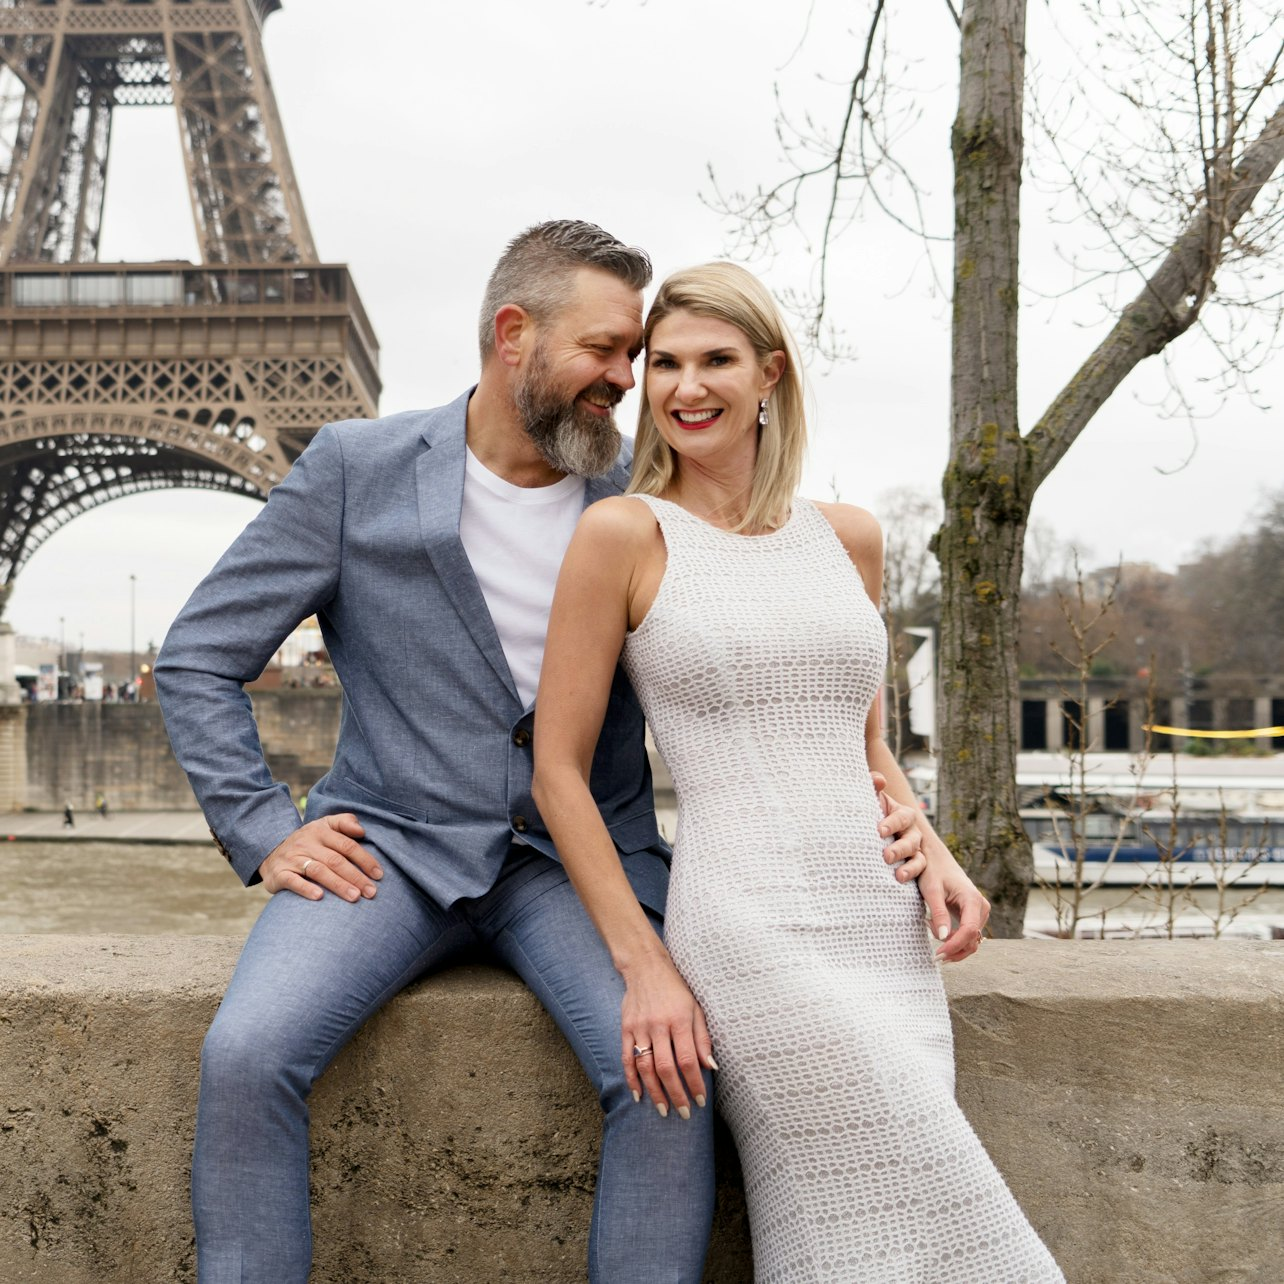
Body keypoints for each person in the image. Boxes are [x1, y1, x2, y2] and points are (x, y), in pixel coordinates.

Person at [154, 220, 937, 1284]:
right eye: (611, 350)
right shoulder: (355, 469)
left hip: (582, 862)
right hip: (389, 851)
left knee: (671, 1074)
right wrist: (262, 830)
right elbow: (200, 655)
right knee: (246, 1055)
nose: (631, 379)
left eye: (639, 355)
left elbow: (793, 694)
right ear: (513, 335)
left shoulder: (646, 504)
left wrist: (905, 826)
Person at [532, 261, 1063, 1281]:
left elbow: (861, 741)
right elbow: (557, 770)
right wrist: (645, 966)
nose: (687, 387)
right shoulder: (623, 535)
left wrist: (933, 843)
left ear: (769, 373)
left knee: (855, 1237)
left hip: (882, 917)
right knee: (957, 1209)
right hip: (747, 927)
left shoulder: (850, 537)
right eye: (666, 363)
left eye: (717, 360)